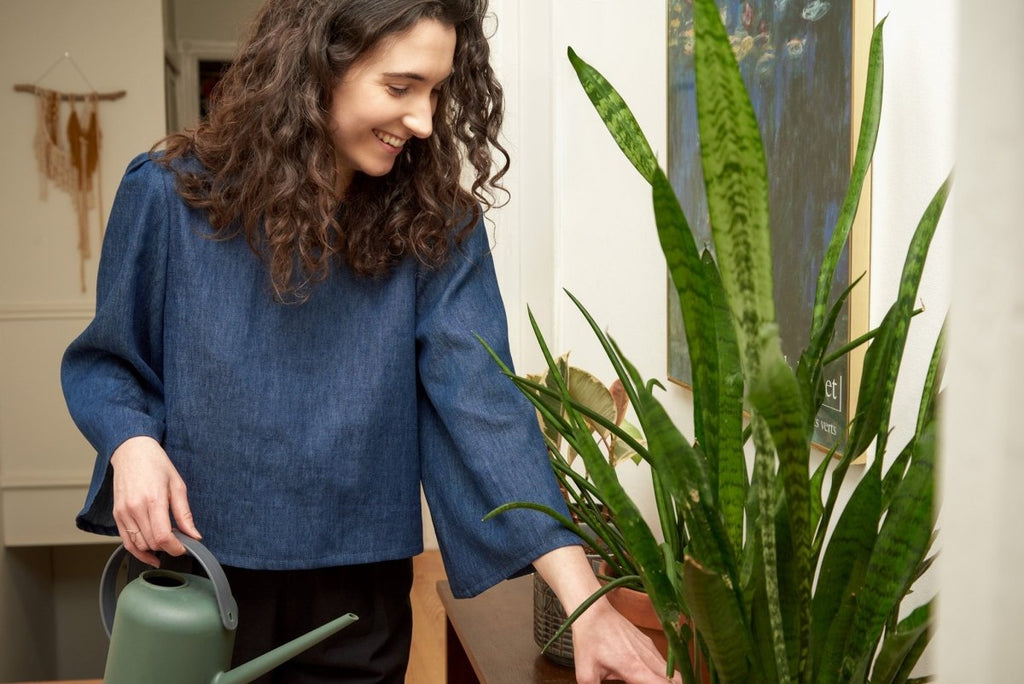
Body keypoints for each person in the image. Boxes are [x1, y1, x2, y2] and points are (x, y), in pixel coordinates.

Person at [61, 1, 679, 682]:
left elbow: (485, 407)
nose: (422, 121)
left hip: (357, 606)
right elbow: (109, 364)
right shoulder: (167, 198)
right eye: (400, 86)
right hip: (195, 579)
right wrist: (132, 443)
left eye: (437, 91)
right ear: (317, 65)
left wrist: (586, 605)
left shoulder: (438, 230)